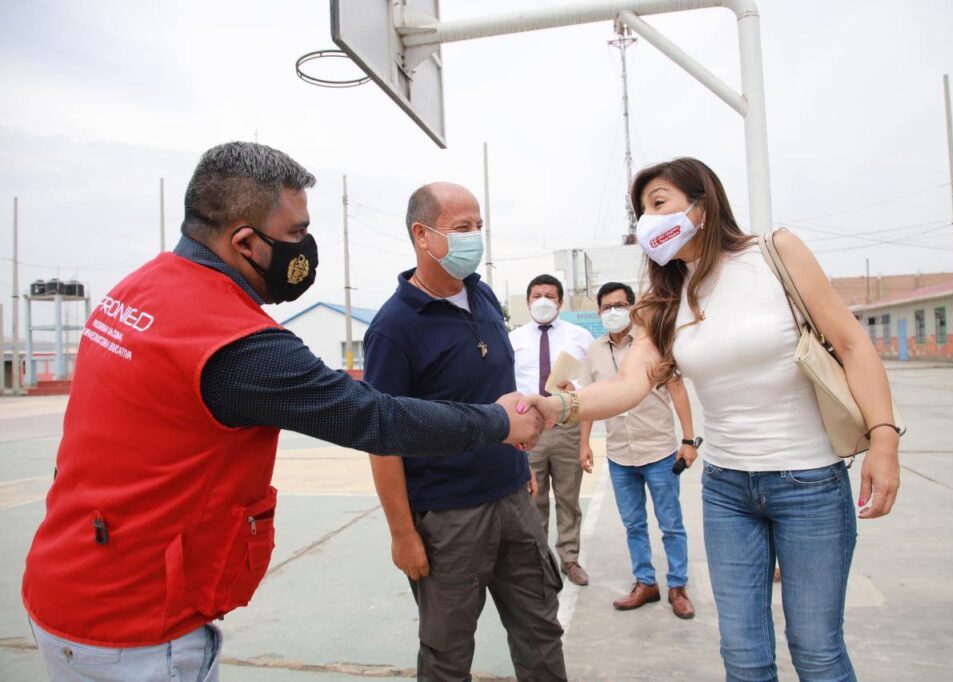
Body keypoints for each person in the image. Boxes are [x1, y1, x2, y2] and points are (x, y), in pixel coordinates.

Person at [21, 143, 544, 682]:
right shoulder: (233, 340)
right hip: (135, 624)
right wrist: (499, 422)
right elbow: (374, 418)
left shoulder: (135, 291)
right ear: (246, 242)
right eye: (296, 234)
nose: (305, 248)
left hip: (69, 578)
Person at [525, 157, 902, 682]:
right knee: (743, 658)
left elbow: (851, 342)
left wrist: (884, 438)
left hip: (810, 482)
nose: (647, 220)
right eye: (641, 212)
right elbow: (629, 386)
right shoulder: (662, 301)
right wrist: (558, 407)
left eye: (658, 204)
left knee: (817, 651)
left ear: (701, 205)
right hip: (728, 490)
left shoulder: (775, 253)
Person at [364, 182, 566, 682]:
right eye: (462, 228)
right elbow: (380, 438)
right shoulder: (393, 328)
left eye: (479, 226)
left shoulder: (482, 293)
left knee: (540, 629)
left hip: (514, 501)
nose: (476, 237)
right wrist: (402, 533)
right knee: (447, 653)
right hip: (449, 520)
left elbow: (498, 384)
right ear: (422, 235)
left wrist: (521, 468)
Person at [578, 281, 698, 619]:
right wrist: (584, 443)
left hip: (658, 451)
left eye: (619, 305)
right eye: (606, 307)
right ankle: (645, 582)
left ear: (632, 308)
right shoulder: (594, 351)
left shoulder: (653, 345)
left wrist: (689, 441)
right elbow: (590, 398)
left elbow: (677, 392)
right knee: (633, 525)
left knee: (670, 523)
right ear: (599, 312)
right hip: (619, 454)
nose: (612, 312)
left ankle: (678, 586)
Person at [509, 275, 596, 586]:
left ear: (560, 302)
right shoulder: (514, 339)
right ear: (528, 301)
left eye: (549, 295)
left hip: (566, 425)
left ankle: (570, 559)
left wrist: (577, 393)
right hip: (528, 428)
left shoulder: (580, 336)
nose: (543, 300)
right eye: (537, 295)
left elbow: (592, 387)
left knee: (568, 497)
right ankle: (538, 561)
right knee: (532, 498)